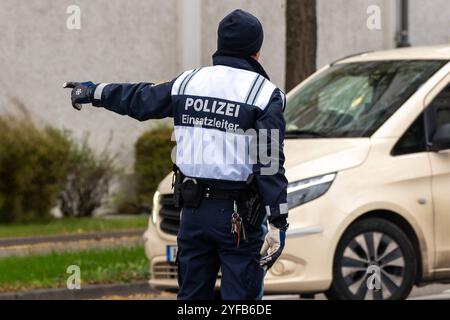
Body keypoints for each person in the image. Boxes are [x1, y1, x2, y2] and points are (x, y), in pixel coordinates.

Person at [64, 9, 289, 300]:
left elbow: (140, 99)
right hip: (238, 218)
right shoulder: (263, 94)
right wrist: (278, 222)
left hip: (192, 214)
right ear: (256, 52)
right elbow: (269, 162)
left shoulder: (188, 82)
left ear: (219, 46)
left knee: (191, 299)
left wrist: (93, 92)